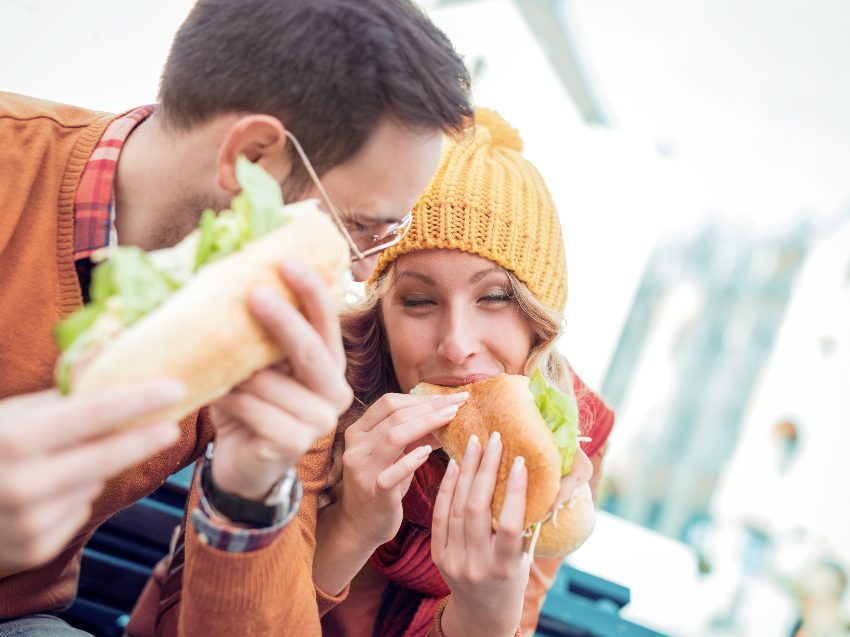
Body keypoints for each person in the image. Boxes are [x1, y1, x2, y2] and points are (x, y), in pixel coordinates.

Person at [0, 0, 472, 634]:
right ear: (251, 158)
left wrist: (249, 498)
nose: (362, 273)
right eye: (362, 227)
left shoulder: (285, 339)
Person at [311, 109, 615, 637]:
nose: (456, 345)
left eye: (495, 297)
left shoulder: (571, 441)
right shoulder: (317, 378)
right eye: (420, 300)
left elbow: (518, 615)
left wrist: (485, 613)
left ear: (539, 320)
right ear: (381, 310)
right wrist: (349, 529)